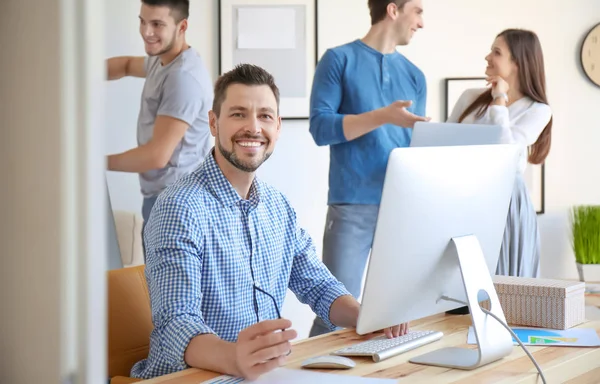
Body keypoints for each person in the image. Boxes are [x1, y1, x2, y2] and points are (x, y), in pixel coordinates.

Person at [130, 64, 408, 381]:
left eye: (264, 116)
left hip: (264, 375)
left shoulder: (278, 207)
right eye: (238, 114)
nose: (253, 127)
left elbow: (319, 287)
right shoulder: (179, 207)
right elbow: (175, 322)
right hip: (196, 378)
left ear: (277, 127)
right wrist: (235, 358)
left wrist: (367, 318)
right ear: (213, 123)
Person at [308, 0, 429, 337]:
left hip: (400, 209)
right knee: (334, 311)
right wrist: (382, 116)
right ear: (393, 10)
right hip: (352, 206)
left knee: (394, 316)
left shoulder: (415, 76)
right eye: (417, 11)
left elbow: (412, 146)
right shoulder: (338, 60)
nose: (421, 22)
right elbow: (320, 127)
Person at [448, 28, 552, 280]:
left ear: (518, 62)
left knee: (505, 286)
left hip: (506, 202)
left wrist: (499, 100)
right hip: (464, 195)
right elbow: (446, 143)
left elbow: (505, 153)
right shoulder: (469, 98)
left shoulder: (538, 110)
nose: (487, 57)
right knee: (459, 284)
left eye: (496, 52)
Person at [106, 0, 213, 228]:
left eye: (157, 24)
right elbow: (124, 65)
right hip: (161, 198)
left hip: (177, 203)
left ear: (182, 27)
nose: (146, 31)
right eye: (142, 21)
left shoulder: (183, 78)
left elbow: (156, 156)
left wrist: (93, 163)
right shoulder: (162, 59)